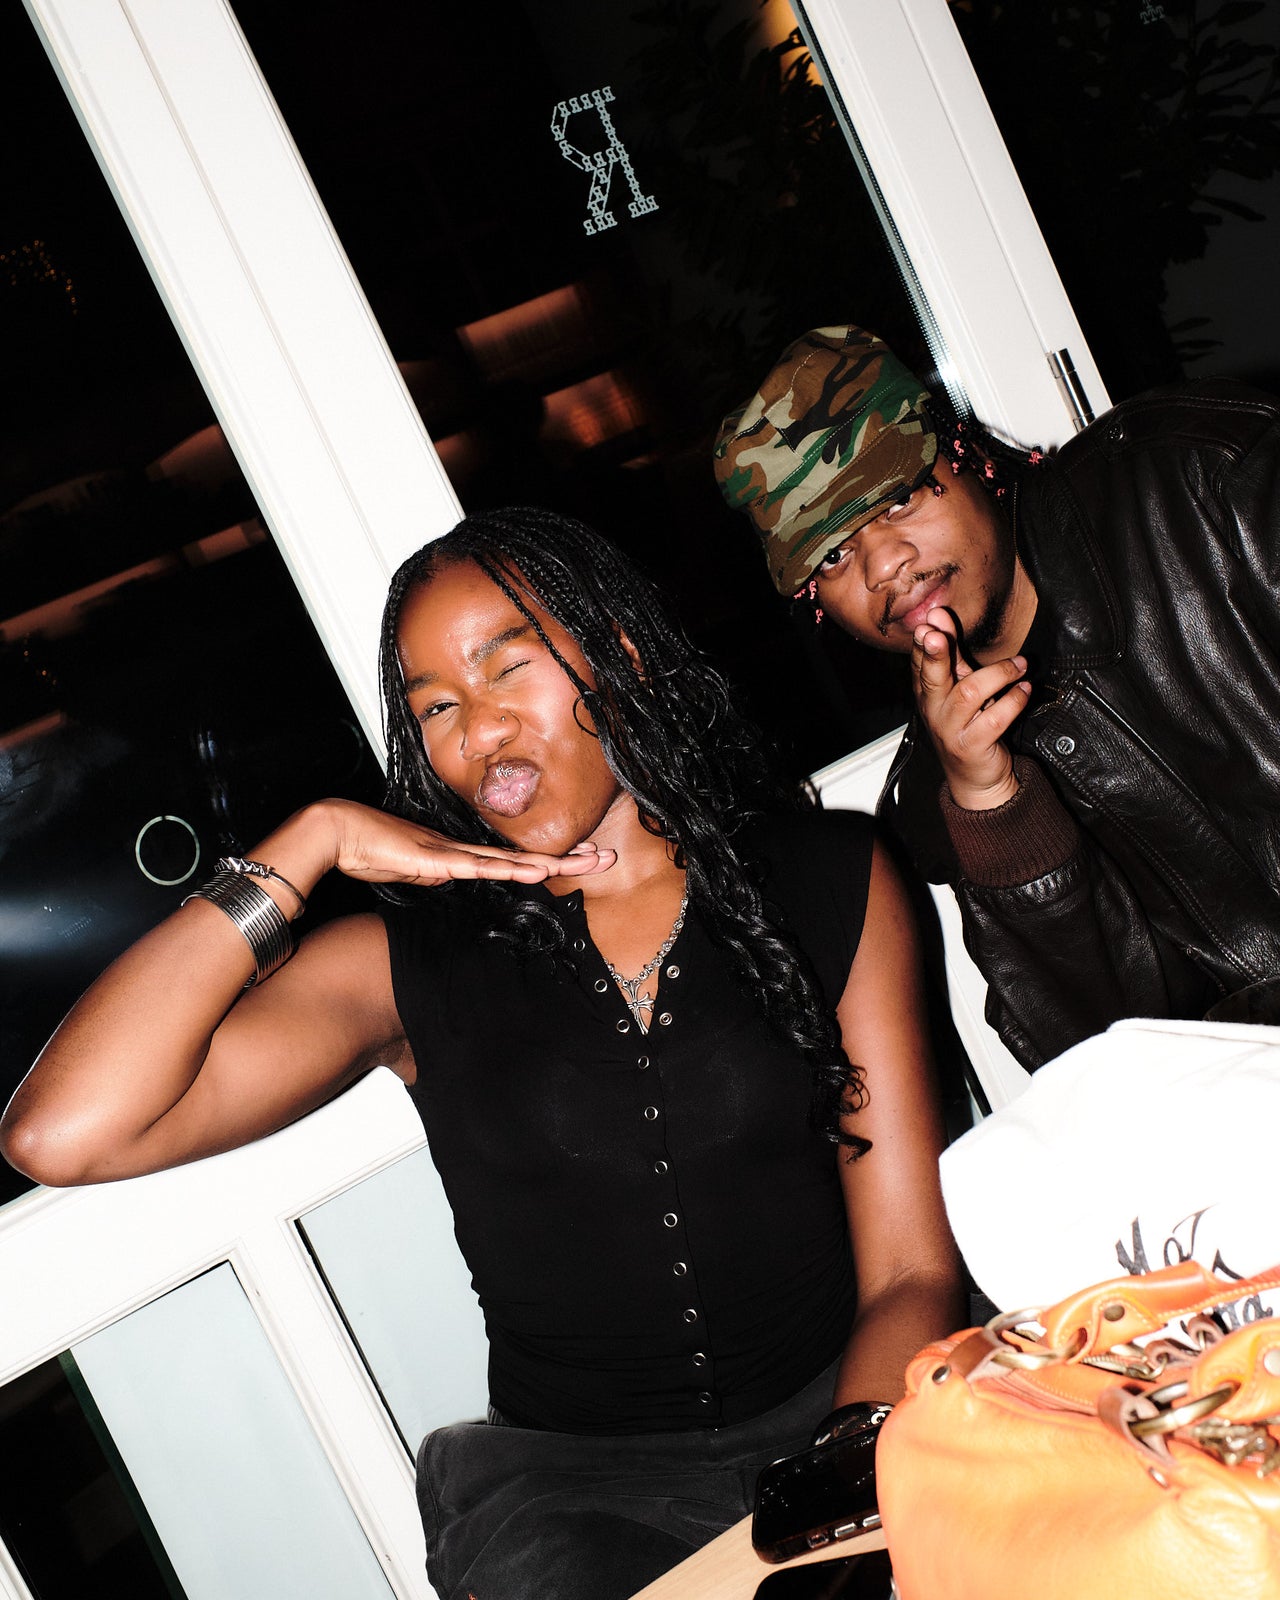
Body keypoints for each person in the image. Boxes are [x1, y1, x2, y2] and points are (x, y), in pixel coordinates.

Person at [0, 507, 962, 1600]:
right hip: (574, 1506)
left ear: (616, 652)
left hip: (844, 1414)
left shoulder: (828, 874)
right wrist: (310, 841)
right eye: (438, 707)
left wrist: (841, 1495)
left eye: (509, 667)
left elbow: (909, 1272)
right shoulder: (413, 960)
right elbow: (62, 1131)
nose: (481, 729)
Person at [714, 324, 1280, 1069]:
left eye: (897, 500)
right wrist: (994, 809)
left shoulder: (1195, 482)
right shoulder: (938, 791)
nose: (884, 567)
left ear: (967, 455)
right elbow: (1104, 1060)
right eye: (833, 555)